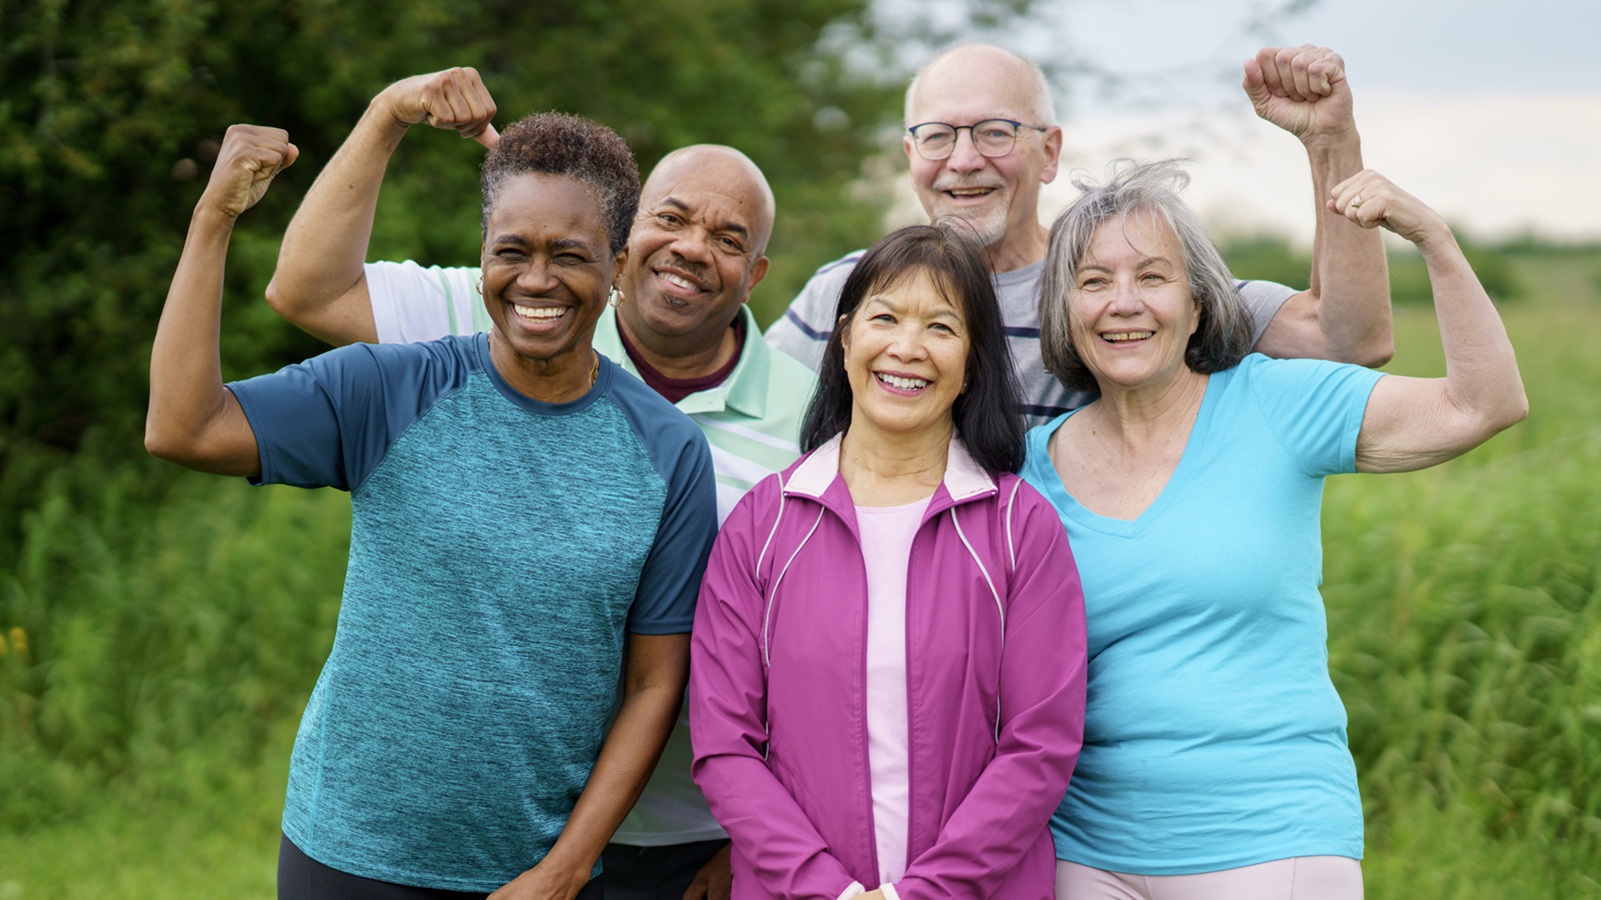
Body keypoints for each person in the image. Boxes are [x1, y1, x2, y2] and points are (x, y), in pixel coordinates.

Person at [265, 68, 816, 900]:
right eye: (672, 218)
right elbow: (305, 289)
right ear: (626, 244)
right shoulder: (518, 307)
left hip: (689, 836)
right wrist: (387, 115)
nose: (694, 248)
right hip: (510, 828)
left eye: (729, 238)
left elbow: (830, 640)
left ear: (758, 273)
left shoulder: (813, 420)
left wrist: (769, 829)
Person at [147, 114, 719, 899]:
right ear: (483, 253)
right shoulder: (389, 389)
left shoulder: (667, 451)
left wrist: (565, 868)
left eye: (570, 256)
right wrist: (214, 219)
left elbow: (656, 683)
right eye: (512, 251)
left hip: (524, 872)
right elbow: (183, 427)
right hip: (344, 853)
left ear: (618, 265)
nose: (537, 280)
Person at [1018, 160, 1526, 898]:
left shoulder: (1275, 404)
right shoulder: (1028, 470)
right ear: (1064, 310)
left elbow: (1481, 405)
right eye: (1093, 281)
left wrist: (1432, 240)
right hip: (1084, 850)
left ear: (1197, 304)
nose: (1122, 304)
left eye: (1151, 278)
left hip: (1267, 836)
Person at [691, 222, 1089, 899]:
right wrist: (830, 891)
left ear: (972, 364)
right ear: (845, 337)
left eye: (940, 327)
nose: (906, 348)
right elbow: (724, 746)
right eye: (884, 317)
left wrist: (923, 893)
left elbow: (1039, 745)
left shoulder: (1019, 526)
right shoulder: (763, 523)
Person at [765, 44, 1394, 422]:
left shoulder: (1119, 287)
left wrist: (1331, 142)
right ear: (909, 155)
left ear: (1049, 152)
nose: (962, 160)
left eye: (994, 132)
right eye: (937, 135)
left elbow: (1347, 340)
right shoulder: (846, 293)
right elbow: (747, 423)